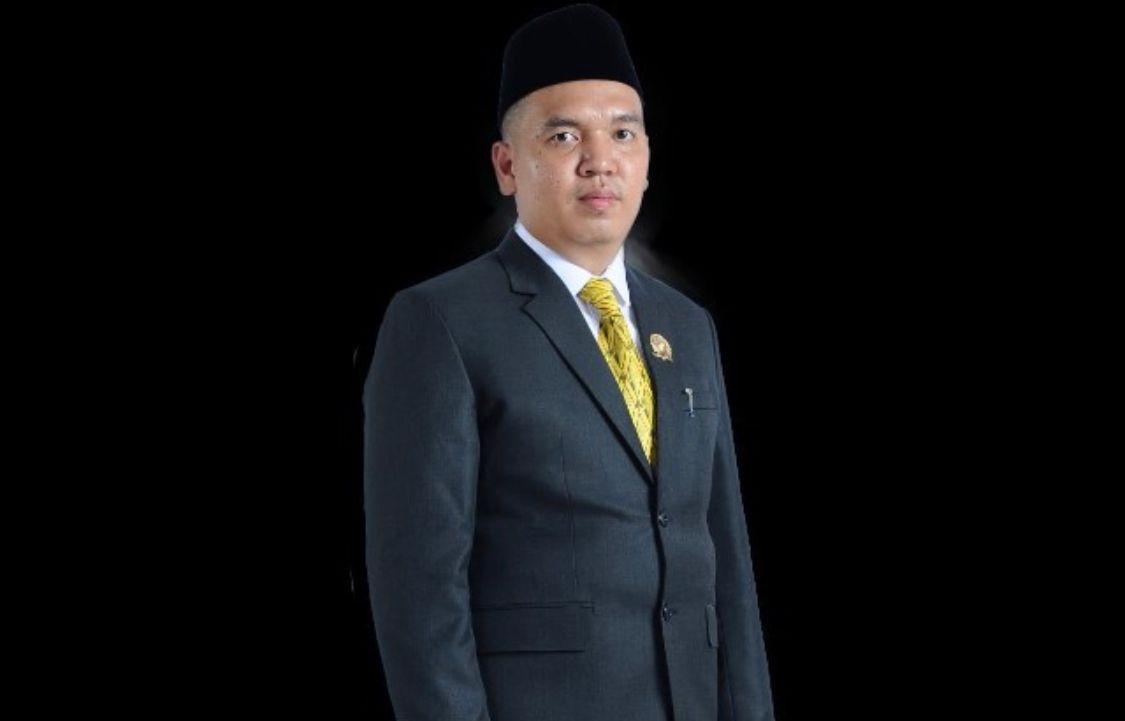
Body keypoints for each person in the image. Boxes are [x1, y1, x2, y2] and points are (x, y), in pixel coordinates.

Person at [363, 4, 774, 719]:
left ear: (647, 158)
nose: (599, 159)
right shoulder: (440, 322)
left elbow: (725, 560)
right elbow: (419, 589)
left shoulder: (687, 326)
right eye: (563, 135)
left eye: (622, 132)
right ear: (506, 165)